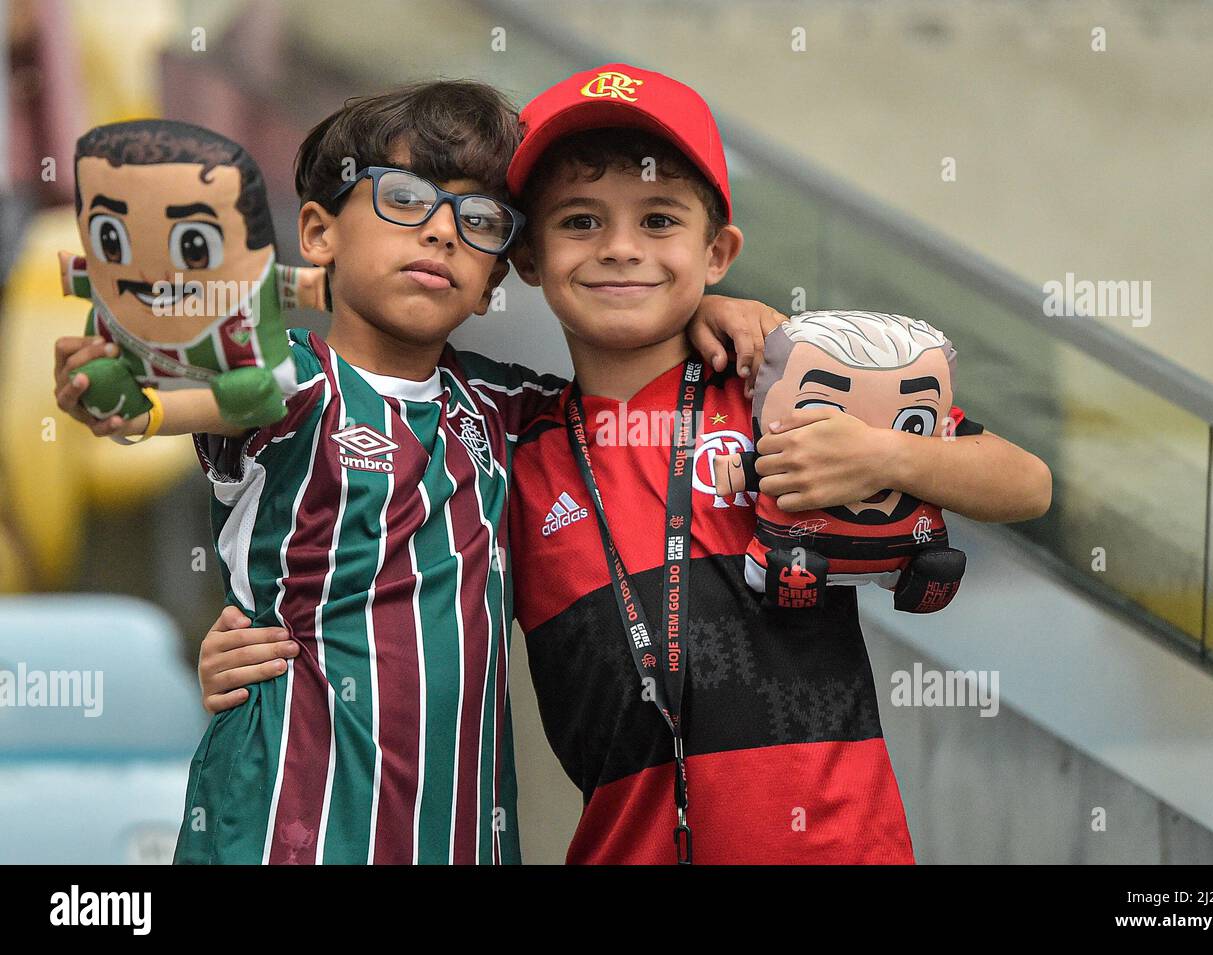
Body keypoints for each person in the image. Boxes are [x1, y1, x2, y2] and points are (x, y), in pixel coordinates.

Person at [195, 63, 1052, 864]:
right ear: (525, 260)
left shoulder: (783, 387)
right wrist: (265, 625)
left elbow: (1025, 483)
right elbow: (382, 556)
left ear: (717, 253)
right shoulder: (509, 441)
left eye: (659, 220)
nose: (619, 248)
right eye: (579, 220)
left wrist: (880, 449)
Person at [51, 79, 772, 865]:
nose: (440, 233)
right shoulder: (288, 379)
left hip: (458, 834)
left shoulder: (510, 410)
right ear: (320, 233)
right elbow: (176, 393)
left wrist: (709, 307)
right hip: (284, 821)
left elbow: (631, 378)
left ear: (499, 273)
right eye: (403, 197)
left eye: (479, 219)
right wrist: (113, 393)